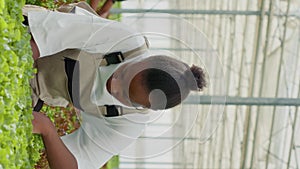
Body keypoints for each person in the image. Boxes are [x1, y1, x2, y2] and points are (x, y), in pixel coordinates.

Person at [26, 2, 206, 169]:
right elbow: (41, 37)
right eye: (123, 74)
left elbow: (75, 165)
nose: (114, 85)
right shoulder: (125, 41)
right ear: (144, 59)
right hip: (32, 36)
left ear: (143, 107)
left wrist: (47, 129)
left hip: (36, 89)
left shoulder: (129, 122)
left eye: (126, 95)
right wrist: (16, 70)